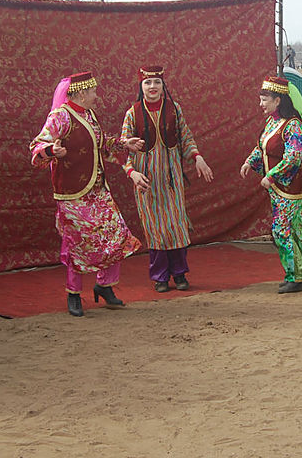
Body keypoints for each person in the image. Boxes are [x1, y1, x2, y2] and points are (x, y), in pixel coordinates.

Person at [30, 71, 143, 316]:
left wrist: (124, 144)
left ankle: (105, 286)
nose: (96, 95)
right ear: (81, 93)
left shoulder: (89, 115)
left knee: (116, 235)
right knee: (76, 243)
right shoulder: (60, 117)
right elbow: (37, 146)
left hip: (97, 190)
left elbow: (100, 145)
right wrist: (51, 150)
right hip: (72, 193)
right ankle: (73, 294)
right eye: (93, 91)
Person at [240, 76, 302, 293]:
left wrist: (271, 176)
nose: (261, 104)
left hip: (290, 186)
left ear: (278, 101)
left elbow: (293, 158)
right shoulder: (272, 122)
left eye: (264, 99)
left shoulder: (293, 125)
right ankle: (300, 272)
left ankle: (295, 275)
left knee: (280, 230)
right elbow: (262, 148)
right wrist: (250, 161)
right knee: (295, 228)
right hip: (278, 188)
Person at [121, 66, 214, 293]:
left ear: (163, 86)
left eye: (157, 82)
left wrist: (198, 157)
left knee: (175, 225)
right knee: (155, 228)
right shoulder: (132, 113)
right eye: (148, 83)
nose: (152, 87)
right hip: (146, 180)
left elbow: (186, 137)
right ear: (141, 86)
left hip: (171, 178)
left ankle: (179, 273)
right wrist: (132, 172)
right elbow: (123, 148)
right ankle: (160, 276)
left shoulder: (174, 109)